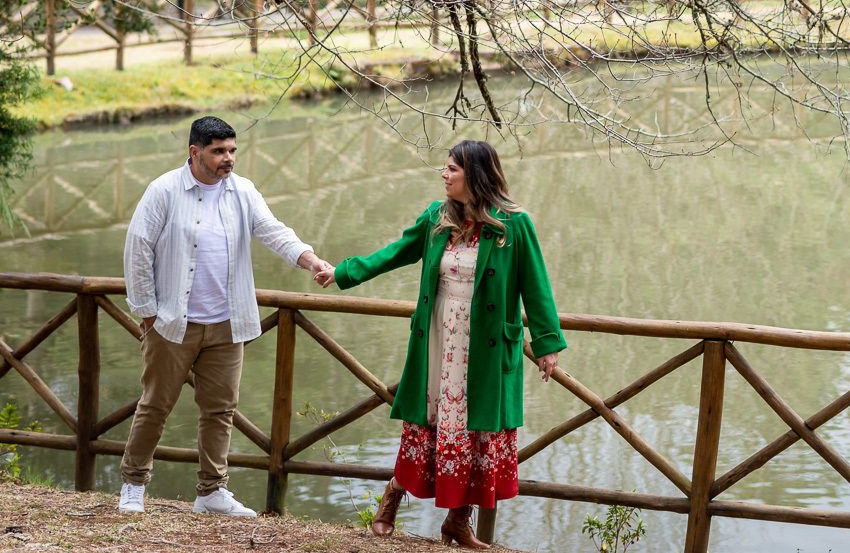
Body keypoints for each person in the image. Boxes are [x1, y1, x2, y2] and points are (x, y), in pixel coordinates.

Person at [315, 140, 566, 549]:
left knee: (476, 431)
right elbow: (395, 253)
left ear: (476, 174)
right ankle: (391, 499)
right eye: (445, 168)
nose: (444, 175)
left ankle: (457, 523)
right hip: (438, 339)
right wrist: (342, 273)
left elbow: (536, 285)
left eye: (452, 168)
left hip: (486, 348)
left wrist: (547, 342)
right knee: (430, 423)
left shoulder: (514, 225)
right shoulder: (437, 217)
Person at [119, 116, 334, 516]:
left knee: (220, 410)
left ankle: (211, 492)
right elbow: (138, 250)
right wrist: (147, 313)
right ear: (194, 152)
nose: (228, 159)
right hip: (172, 323)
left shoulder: (243, 191)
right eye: (219, 151)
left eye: (232, 150)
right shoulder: (163, 190)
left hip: (227, 322)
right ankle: (133, 484)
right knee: (155, 406)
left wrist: (311, 260)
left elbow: (273, 231)